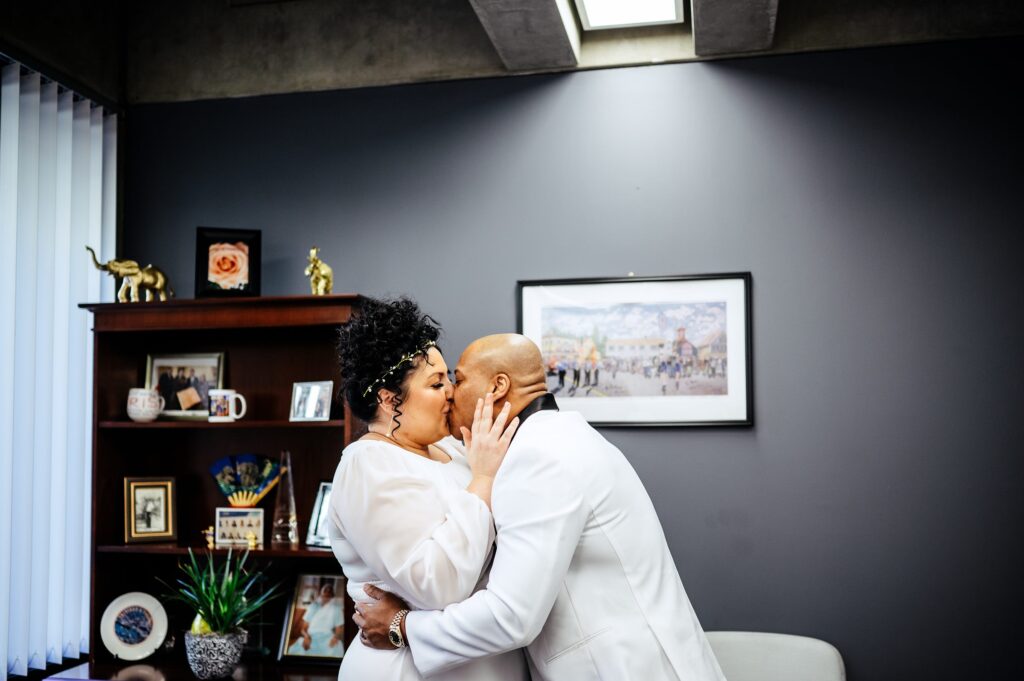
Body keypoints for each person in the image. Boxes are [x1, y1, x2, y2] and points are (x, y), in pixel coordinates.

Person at [354, 334, 725, 681]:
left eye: (459, 380)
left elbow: (511, 616)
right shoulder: (560, 436)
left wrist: (402, 626)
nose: (451, 393)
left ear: (497, 386)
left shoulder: (538, 458)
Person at [328, 298, 528, 681]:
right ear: (389, 400)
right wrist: (484, 478)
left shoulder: (454, 450)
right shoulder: (366, 465)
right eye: (436, 383)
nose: (452, 391)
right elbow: (438, 586)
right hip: (406, 669)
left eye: (448, 378)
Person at [287, 581, 346, 657]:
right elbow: (303, 629)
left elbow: (339, 629)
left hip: (327, 637)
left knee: (338, 647)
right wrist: (306, 637)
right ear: (321, 594)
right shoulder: (312, 607)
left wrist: (335, 638)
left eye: (329, 595)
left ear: (332, 597)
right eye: (325, 594)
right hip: (311, 636)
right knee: (301, 648)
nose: (326, 597)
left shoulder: (336, 609)